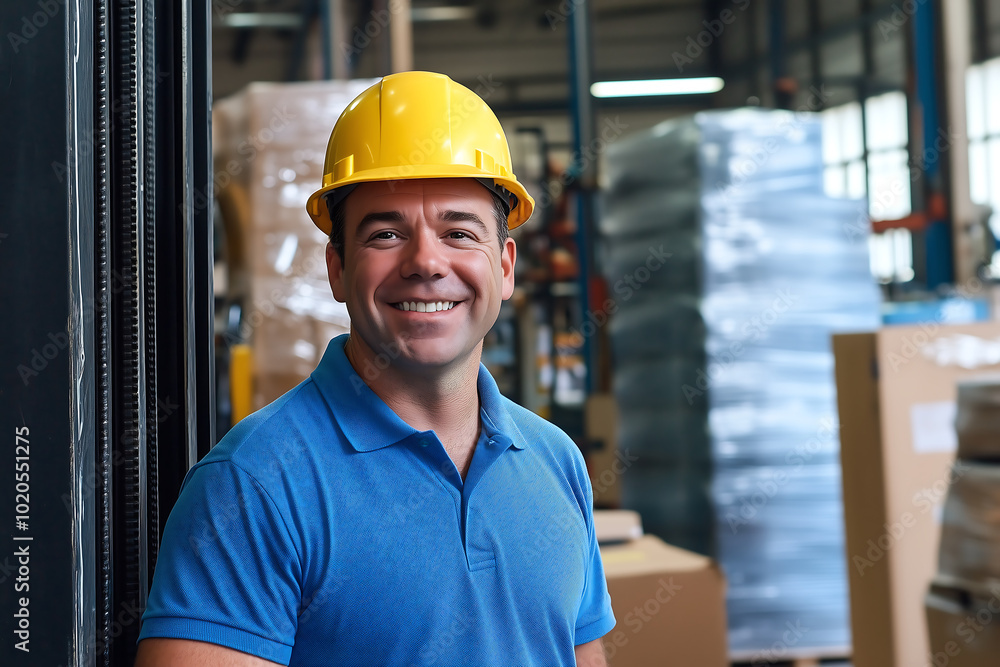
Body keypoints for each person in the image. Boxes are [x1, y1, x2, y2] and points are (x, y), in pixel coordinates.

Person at [135, 71, 615, 666]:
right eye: (386, 233)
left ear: (505, 266)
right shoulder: (254, 483)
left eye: (459, 232)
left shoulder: (555, 460)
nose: (426, 262)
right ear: (337, 269)